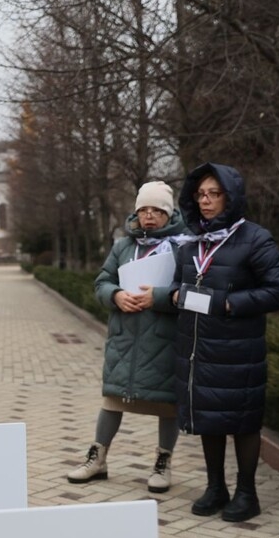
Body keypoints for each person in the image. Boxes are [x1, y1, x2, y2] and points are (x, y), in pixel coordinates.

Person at [171, 163, 279, 523]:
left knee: (243, 422)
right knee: (210, 418)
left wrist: (228, 303)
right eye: (200, 194)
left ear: (231, 197)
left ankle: (247, 494)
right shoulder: (191, 242)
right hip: (199, 350)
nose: (205, 201)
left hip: (239, 350)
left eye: (214, 194)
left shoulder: (255, 238)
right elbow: (179, 283)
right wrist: (175, 294)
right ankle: (216, 488)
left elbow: (278, 291)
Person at [68, 181, 186, 493]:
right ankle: (97, 458)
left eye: (157, 210)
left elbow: (188, 291)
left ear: (168, 214)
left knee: (168, 404)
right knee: (113, 399)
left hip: (163, 339)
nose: (149, 216)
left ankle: (163, 461)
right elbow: (102, 281)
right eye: (144, 209)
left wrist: (157, 297)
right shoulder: (123, 246)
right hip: (124, 340)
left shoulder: (181, 246)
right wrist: (115, 295)